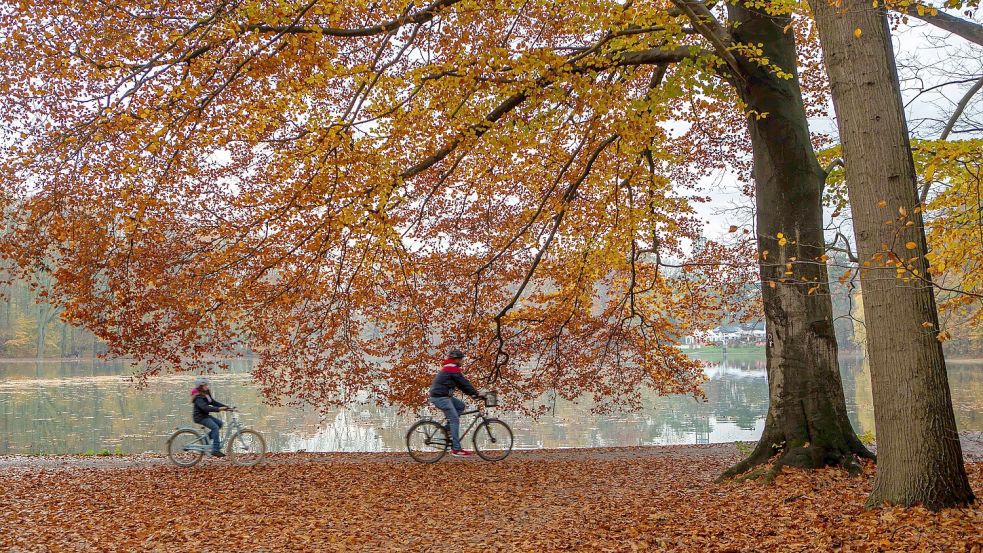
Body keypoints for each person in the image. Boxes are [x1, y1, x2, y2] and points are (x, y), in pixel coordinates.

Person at [428, 348, 484, 457]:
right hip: (440, 397)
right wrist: (476, 394)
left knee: (460, 406)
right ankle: (456, 449)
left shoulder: (450, 368)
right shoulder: (451, 368)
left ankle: (447, 428)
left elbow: (461, 385)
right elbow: (464, 382)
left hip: (443, 396)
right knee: (455, 419)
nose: (462, 361)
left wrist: (473, 394)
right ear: (456, 360)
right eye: (461, 359)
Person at [191, 376, 229, 457]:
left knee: (220, 424)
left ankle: (205, 440)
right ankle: (216, 450)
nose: (207, 386)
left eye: (207, 385)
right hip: (199, 417)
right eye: (205, 385)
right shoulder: (198, 397)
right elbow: (205, 408)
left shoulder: (206, 392)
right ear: (200, 387)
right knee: (215, 427)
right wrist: (219, 409)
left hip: (205, 415)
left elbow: (213, 402)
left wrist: (226, 407)